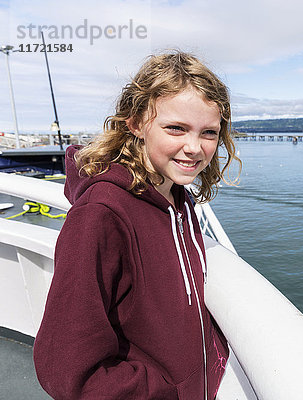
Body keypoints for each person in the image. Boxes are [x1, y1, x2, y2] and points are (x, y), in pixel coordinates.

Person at [33, 51, 239, 399]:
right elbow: (64, 369)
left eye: (208, 133)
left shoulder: (176, 198)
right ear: (136, 123)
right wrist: (161, 392)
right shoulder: (101, 214)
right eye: (176, 128)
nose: (194, 148)